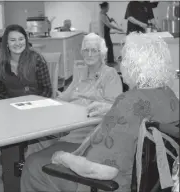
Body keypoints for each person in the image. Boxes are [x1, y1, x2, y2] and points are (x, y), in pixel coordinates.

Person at [21, 32, 179, 192]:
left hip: (110, 185)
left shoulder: (128, 102)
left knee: (33, 164)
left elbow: (101, 171)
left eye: (122, 59)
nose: (120, 64)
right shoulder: (170, 96)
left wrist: (62, 157)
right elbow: (140, 125)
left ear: (134, 65)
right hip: (153, 183)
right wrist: (110, 110)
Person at [20, 32, 123, 192]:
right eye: (86, 50)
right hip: (65, 129)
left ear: (102, 53)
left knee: (33, 160)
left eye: (94, 50)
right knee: (33, 145)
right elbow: (64, 98)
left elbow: (113, 110)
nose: (89, 54)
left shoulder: (110, 75)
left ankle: (41, 176)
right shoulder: (80, 73)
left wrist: (86, 103)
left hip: (84, 138)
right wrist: (48, 102)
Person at [0, 24, 53, 156]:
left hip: (37, 111)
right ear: (6, 43)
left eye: (20, 39)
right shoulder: (0, 62)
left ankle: (30, 163)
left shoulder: (36, 59)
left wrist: (34, 108)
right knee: (9, 147)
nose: (17, 43)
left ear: (26, 40)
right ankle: (14, 168)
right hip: (10, 112)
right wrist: (11, 107)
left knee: (39, 147)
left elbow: (47, 90)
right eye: (12, 40)